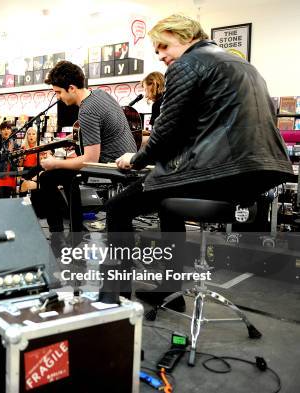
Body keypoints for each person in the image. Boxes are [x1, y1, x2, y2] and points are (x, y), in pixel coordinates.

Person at [109, 14, 294, 307]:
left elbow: (166, 131)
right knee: (169, 204)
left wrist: (136, 158)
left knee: (117, 206)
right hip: (258, 172)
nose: (160, 56)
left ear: (184, 36)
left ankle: (112, 298)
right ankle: (170, 292)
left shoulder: (188, 64)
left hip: (221, 171)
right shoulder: (244, 65)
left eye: (163, 46)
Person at [38, 60, 137, 233]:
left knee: (48, 177)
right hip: (127, 157)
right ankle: (76, 227)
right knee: (68, 175)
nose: (58, 97)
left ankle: (57, 235)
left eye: (58, 92)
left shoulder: (87, 110)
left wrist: (55, 163)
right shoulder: (100, 94)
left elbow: (90, 160)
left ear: (71, 88)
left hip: (112, 165)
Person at [0, 121, 19, 198]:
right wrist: (8, 152)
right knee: (0, 199)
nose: (6, 130)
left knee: (7, 198)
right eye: (3, 129)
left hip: (10, 174)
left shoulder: (14, 143)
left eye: (8, 128)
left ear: (11, 130)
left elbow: (17, 160)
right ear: (0, 131)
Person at [140, 72, 165, 147]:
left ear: (153, 85)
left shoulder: (157, 104)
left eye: (145, 89)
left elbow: (156, 135)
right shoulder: (168, 99)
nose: (146, 95)